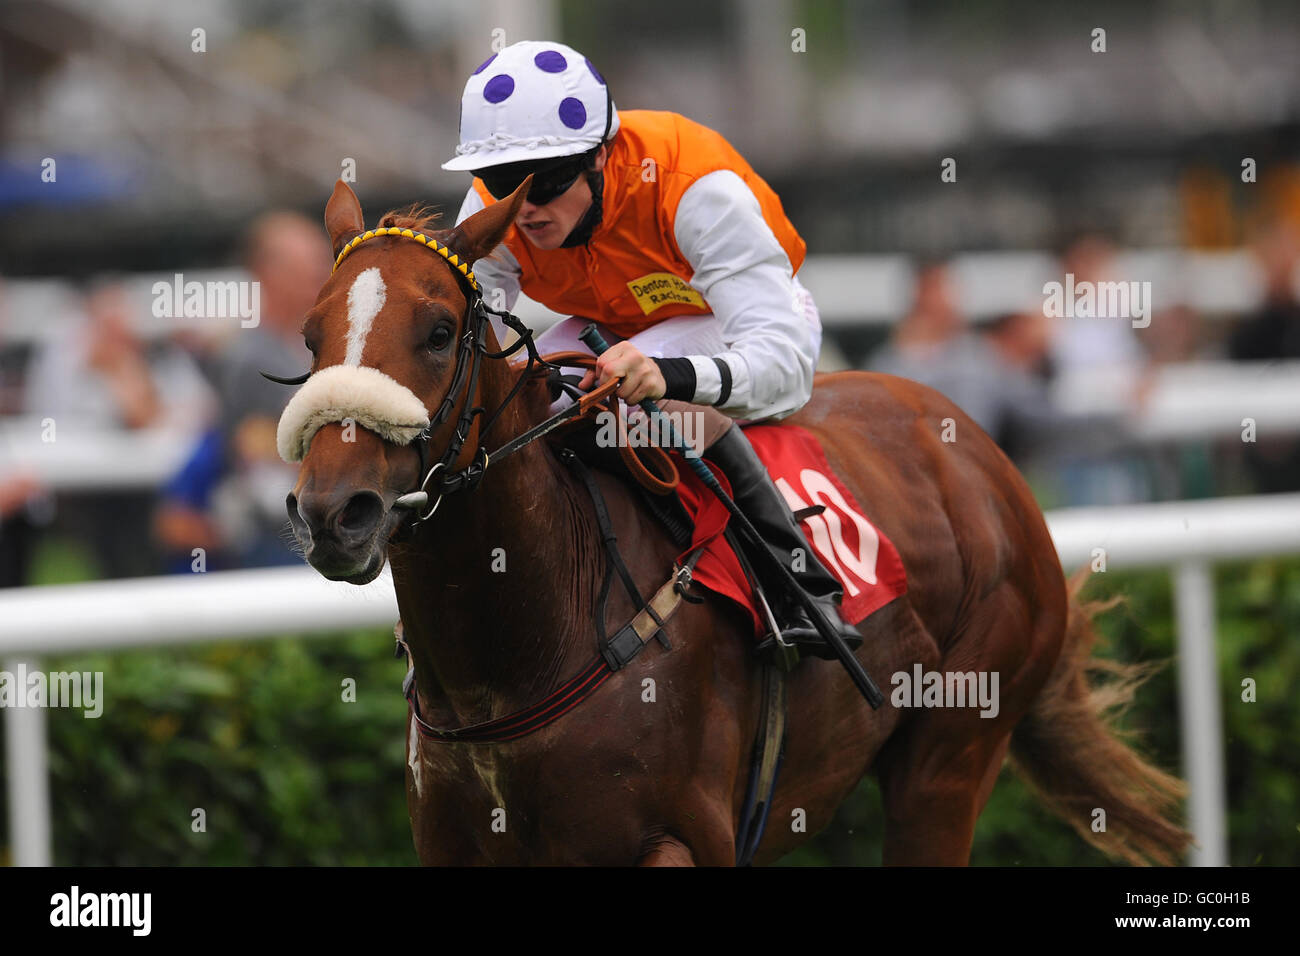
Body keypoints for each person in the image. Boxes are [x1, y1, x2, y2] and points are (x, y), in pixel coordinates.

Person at [442, 40, 858, 657]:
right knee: (514, 406)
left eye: (549, 181)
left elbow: (787, 368)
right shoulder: (492, 210)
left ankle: (797, 581)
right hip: (615, 326)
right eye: (506, 182)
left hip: (730, 320)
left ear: (601, 157)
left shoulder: (695, 185)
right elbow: (475, 335)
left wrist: (666, 375)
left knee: (609, 402)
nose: (526, 206)